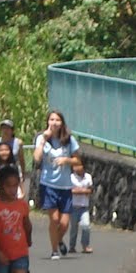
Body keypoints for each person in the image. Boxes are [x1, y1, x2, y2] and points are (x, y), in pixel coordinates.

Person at [34, 110, 80, 258]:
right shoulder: (42, 139)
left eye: (57, 120)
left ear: (62, 123)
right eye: (51, 120)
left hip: (65, 185)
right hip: (48, 184)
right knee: (54, 219)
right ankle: (54, 250)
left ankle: (59, 239)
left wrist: (66, 160)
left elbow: (78, 161)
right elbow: (36, 158)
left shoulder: (69, 140)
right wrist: (43, 140)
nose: (54, 123)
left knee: (65, 223)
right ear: (48, 122)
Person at [68, 153, 94, 255]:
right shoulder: (71, 177)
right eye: (74, 166)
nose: (76, 168)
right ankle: (72, 246)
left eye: (78, 165)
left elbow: (90, 190)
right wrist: (83, 190)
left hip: (84, 206)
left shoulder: (88, 177)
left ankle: (85, 245)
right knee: (74, 228)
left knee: (86, 225)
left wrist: (79, 190)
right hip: (73, 206)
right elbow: (71, 191)